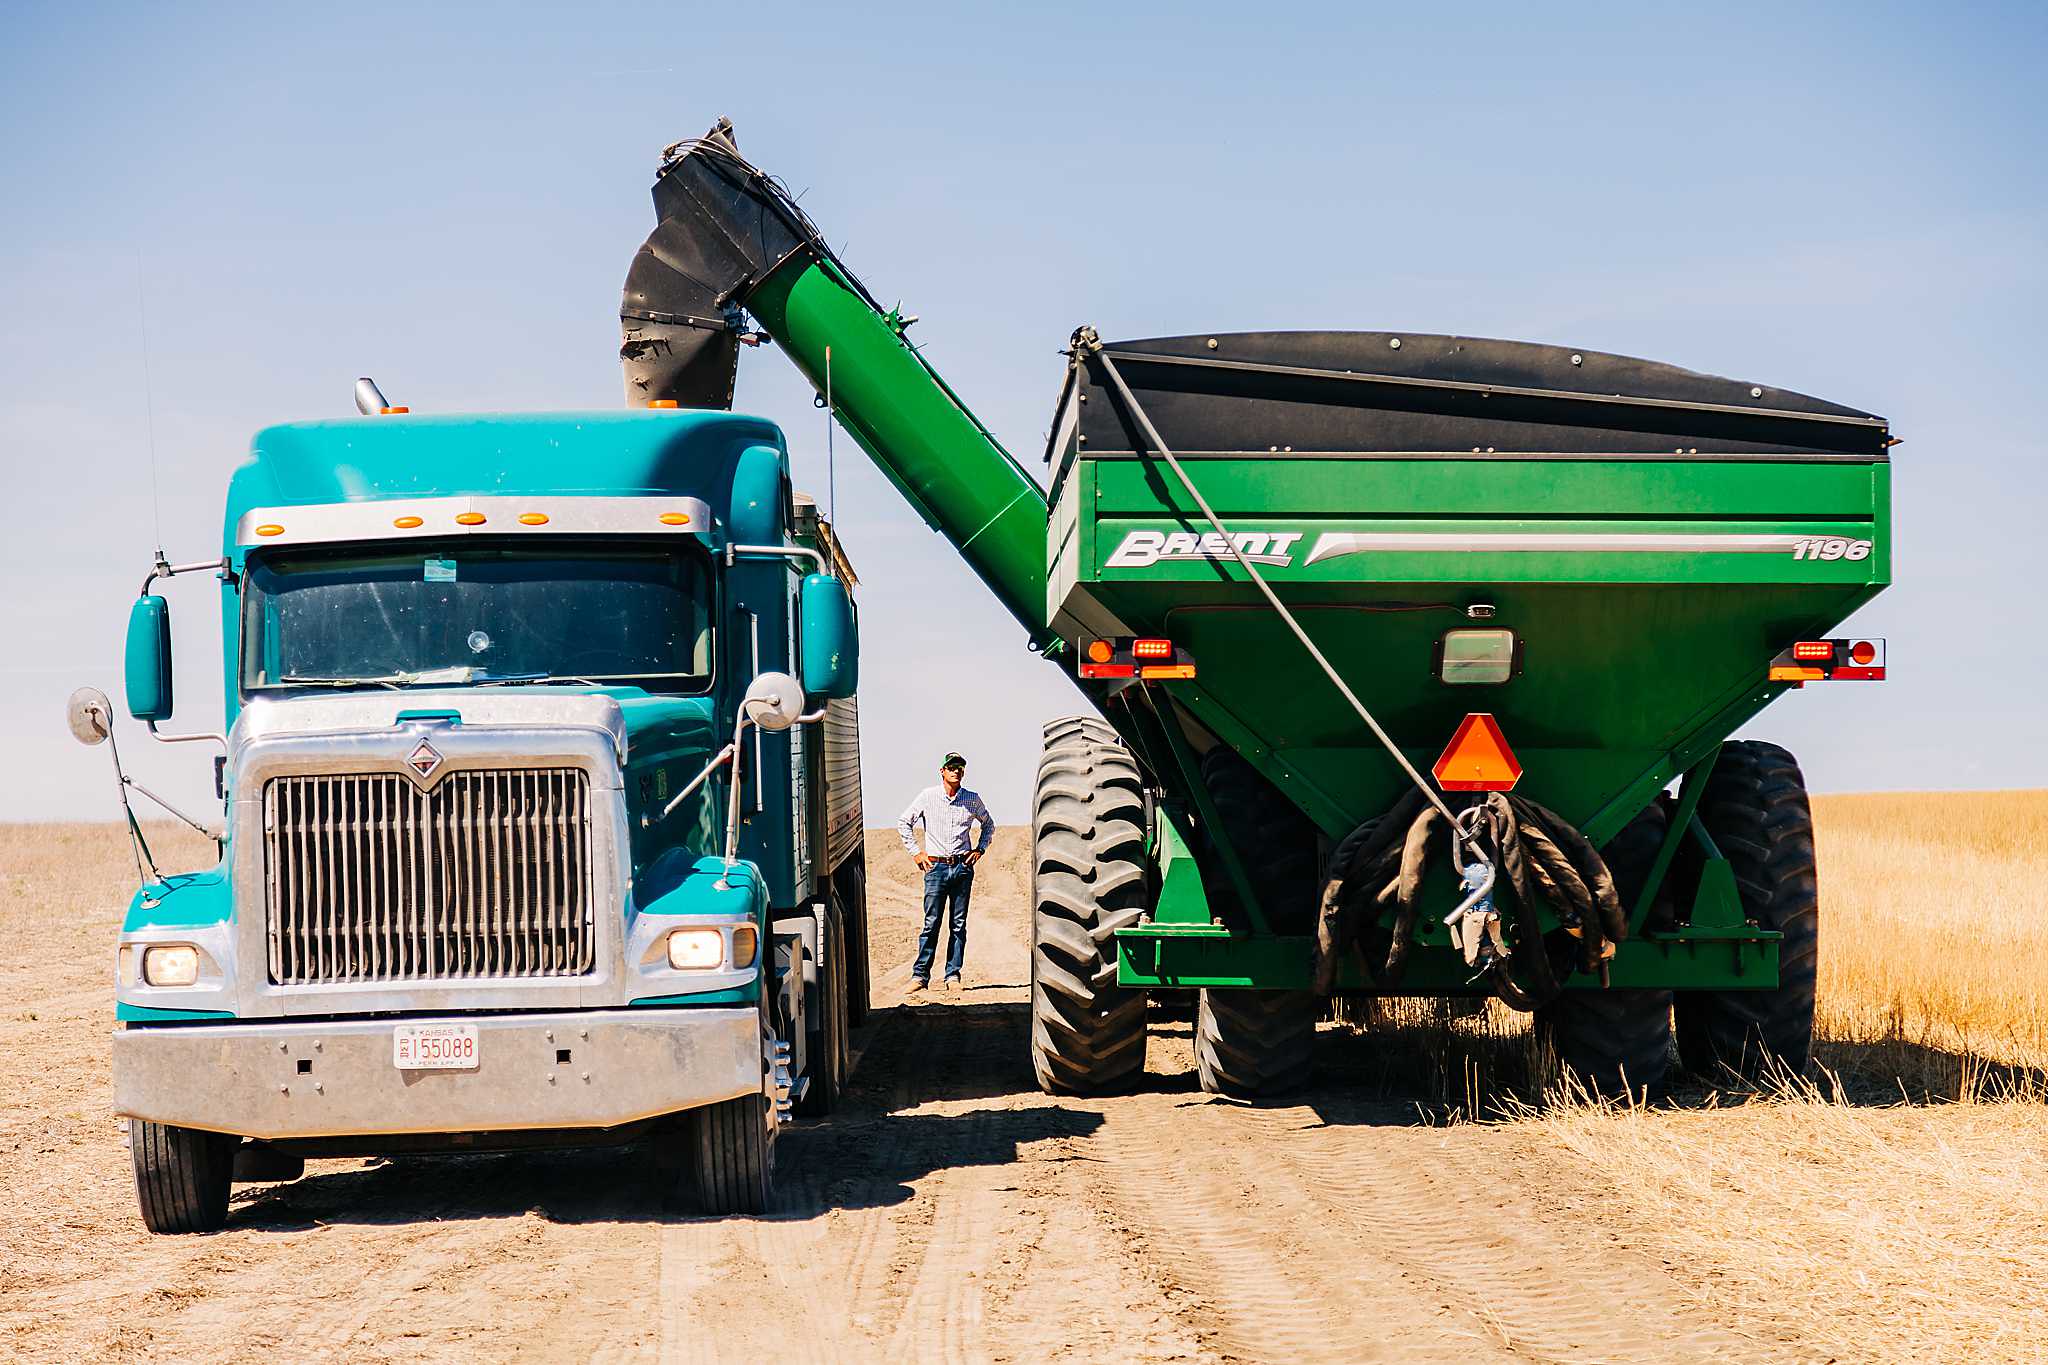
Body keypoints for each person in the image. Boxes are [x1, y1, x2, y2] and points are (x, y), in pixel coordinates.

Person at [896, 750, 993, 993]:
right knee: (931, 923)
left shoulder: (971, 799)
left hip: (961, 867)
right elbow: (904, 822)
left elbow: (989, 824)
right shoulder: (928, 797)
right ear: (942, 771)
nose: (956, 771)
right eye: (951, 767)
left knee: (958, 924)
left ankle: (953, 975)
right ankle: (920, 976)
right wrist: (916, 853)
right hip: (936, 867)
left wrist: (980, 849)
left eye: (960, 767)